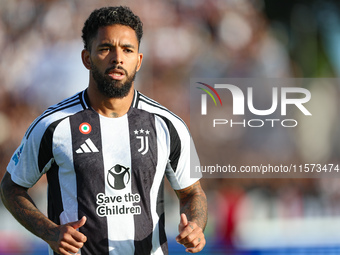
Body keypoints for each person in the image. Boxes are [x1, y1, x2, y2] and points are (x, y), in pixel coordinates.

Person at [0, 5, 207, 255]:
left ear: (138, 61)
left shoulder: (167, 125)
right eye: (106, 48)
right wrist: (50, 231)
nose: (117, 58)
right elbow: (11, 188)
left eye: (127, 50)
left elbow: (192, 192)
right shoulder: (54, 125)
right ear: (87, 58)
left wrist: (195, 226)